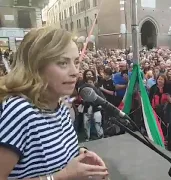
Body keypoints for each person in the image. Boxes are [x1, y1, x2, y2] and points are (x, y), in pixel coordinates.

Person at [0, 27, 108, 179]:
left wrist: (80, 154)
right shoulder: (19, 112)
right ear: (36, 67)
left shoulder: (61, 109)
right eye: (63, 63)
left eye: (76, 62)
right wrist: (61, 176)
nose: (75, 71)